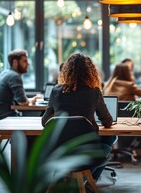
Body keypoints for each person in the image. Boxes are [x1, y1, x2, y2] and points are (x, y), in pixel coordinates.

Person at [41, 52, 116, 183]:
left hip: (59, 150)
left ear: (66, 70)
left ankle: (73, 180)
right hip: (86, 150)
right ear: (90, 72)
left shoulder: (56, 90)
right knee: (111, 139)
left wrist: (61, 113)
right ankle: (88, 179)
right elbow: (107, 121)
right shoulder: (94, 92)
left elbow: (45, 121)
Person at [0, 49, 41, 119]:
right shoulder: (14, 77)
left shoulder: (5, 73)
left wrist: (32, 99)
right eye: (24, 61)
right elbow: (23, 103)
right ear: (15, 62)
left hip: (2, 115)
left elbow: (20, 101)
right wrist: (32, 99)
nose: (28, 63)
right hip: (7, 118)